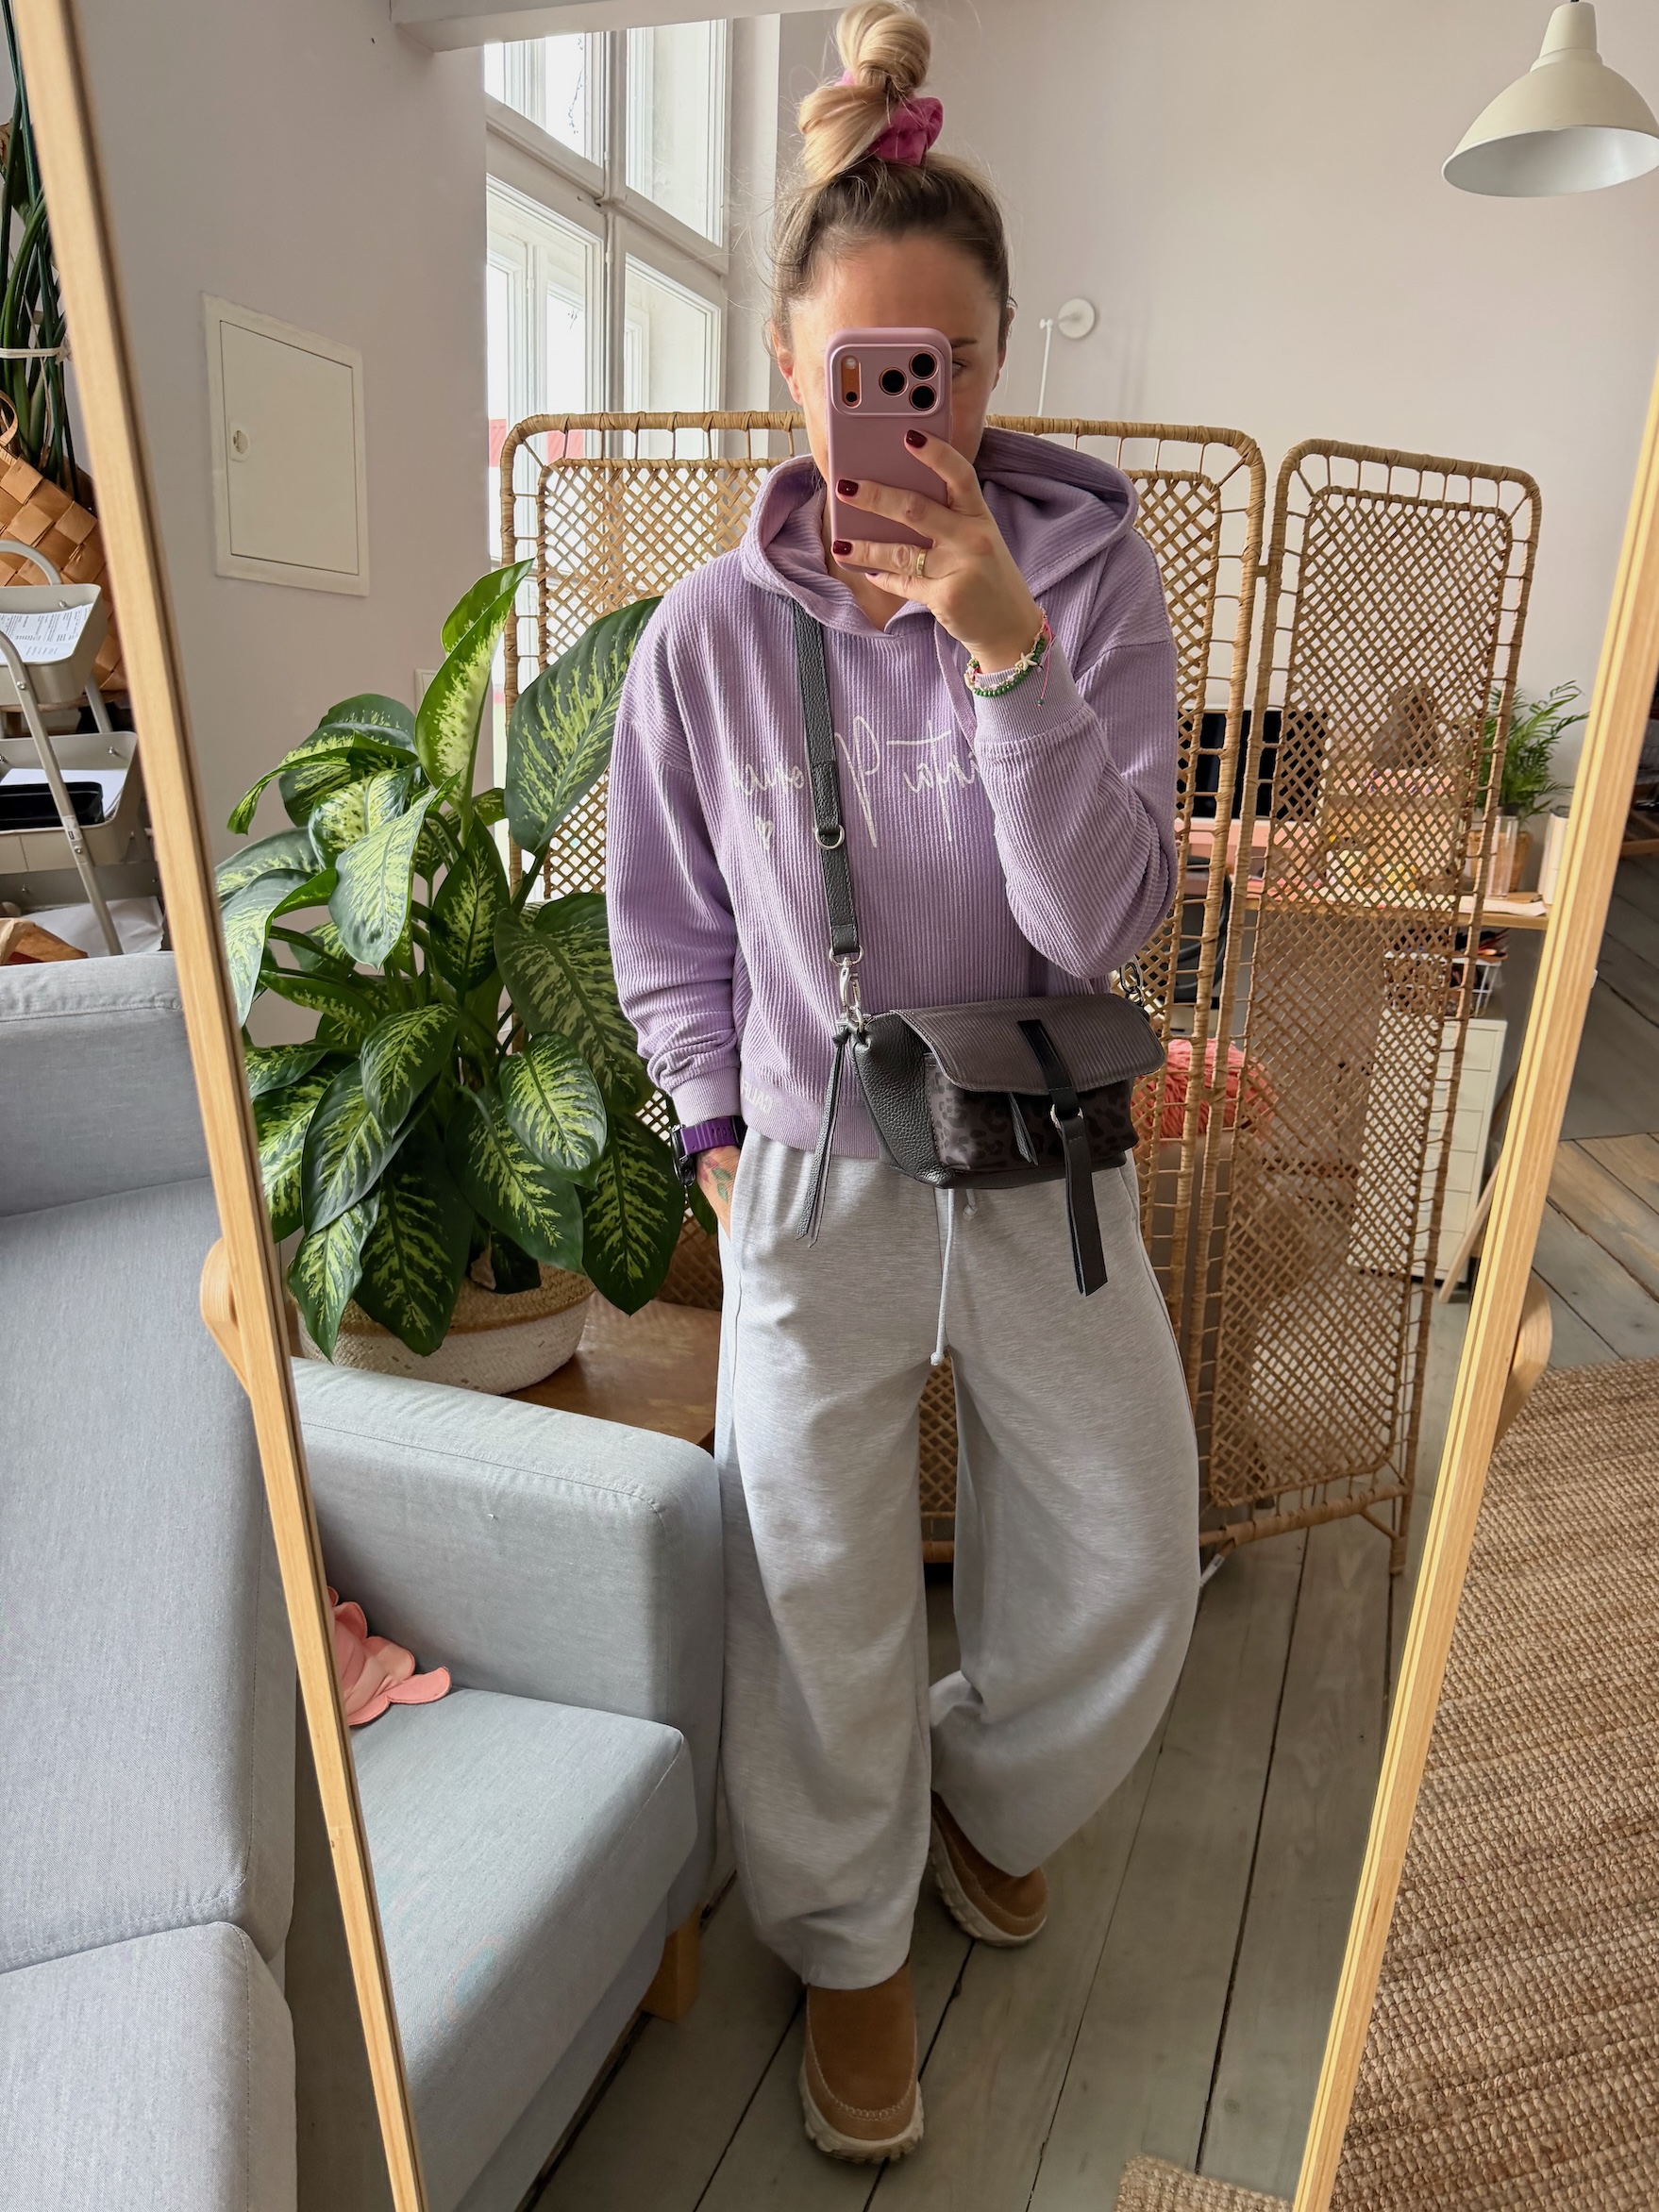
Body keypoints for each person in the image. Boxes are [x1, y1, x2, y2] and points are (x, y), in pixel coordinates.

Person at [610, 0, 1198, 2166]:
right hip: (808, 1171)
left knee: (1129, 1542)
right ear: (791, 365)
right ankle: (847, 1940)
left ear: (994, 366)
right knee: (812, 1577)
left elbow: (1103, 917)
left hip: (1047, 1161)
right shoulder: (702, 636)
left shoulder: (1091, 580)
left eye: (938, 366)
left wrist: (1005, 647)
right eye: (864, 364)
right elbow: (668, 920)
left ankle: (986, 1793)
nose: (903, 404)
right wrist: (715, 1126)